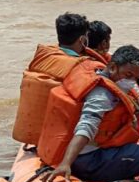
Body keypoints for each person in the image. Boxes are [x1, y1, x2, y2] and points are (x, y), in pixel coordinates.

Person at [39, 45, 139, 182]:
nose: (131, 82)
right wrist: (66, 163)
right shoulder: (102, 95)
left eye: (135, 78)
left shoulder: (99, 74)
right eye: (128, 76)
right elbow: (86, 126)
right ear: (113, 67)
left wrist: (138, 97)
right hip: (89, 160)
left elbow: (128, 87)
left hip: (89, 153)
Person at [12, 13, 98, 145]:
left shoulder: (44, 56)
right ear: (82, 39)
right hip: (58, 139)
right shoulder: (82, 66)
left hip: (33, 133)